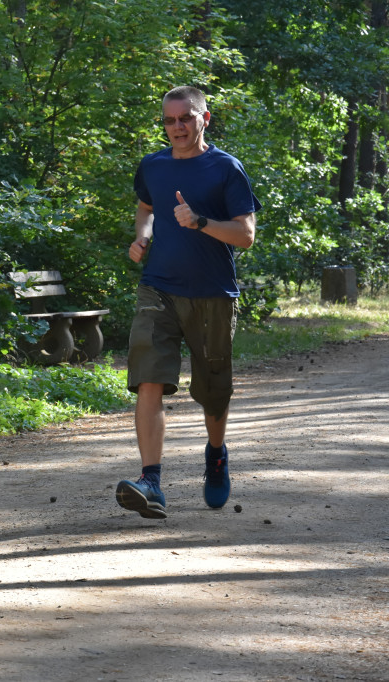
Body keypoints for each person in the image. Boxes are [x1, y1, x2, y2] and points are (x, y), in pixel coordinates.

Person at [115, 86, 261, 519]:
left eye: (185, 118)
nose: (176, 127)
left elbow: (245, 235)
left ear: (205, 118)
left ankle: (216, 454)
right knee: (148, 378)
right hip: (158, 286)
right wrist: (143, 235)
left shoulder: (225, 169)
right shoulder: (153, 166)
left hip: (213, 293)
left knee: (213, 392)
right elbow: (147, 207)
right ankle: (151, 481)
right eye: (168, 120)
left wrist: (201, 222)